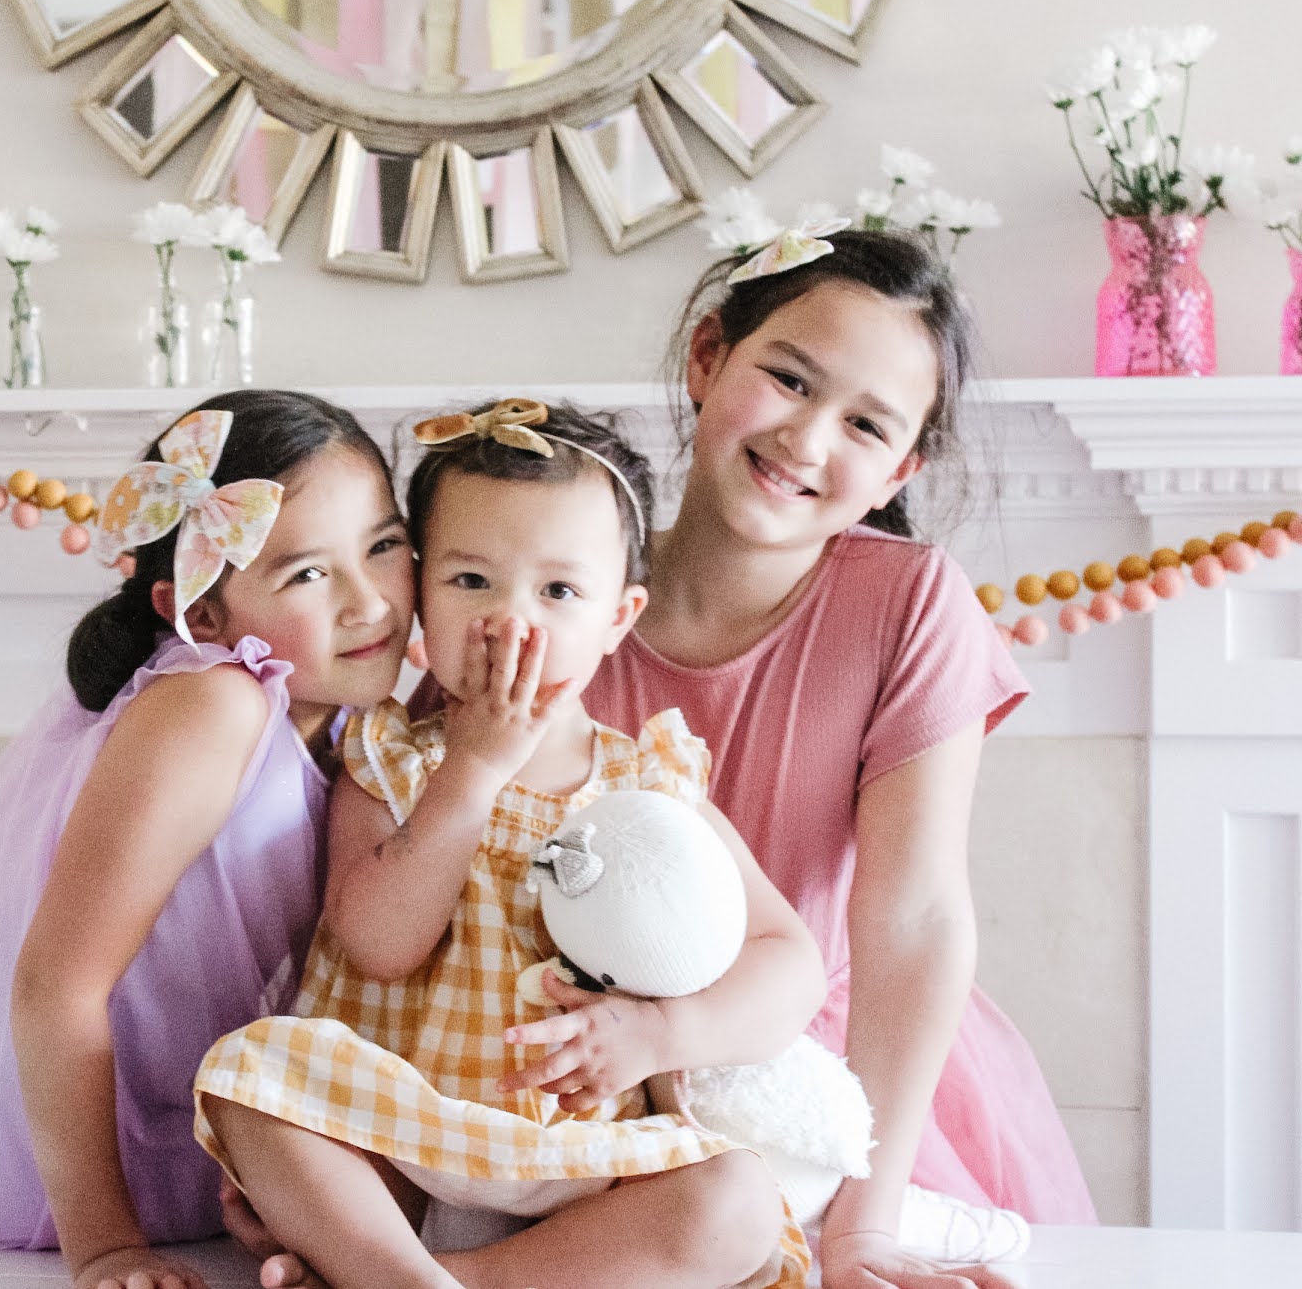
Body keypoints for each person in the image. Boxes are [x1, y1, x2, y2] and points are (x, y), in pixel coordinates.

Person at [195, 400, 821, 1289]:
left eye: (557, 591)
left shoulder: (651, 786)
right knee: (245, 1074)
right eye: (471, 580)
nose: (509, 621)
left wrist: (659, 1033)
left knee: (738, 1202)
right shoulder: (390, 759)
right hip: (398, 1130)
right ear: (420, 595)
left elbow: (789, 959)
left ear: (619, 616)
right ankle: (393, 1267)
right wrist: (472, 773)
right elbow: (376, 944)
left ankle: (446, 1278)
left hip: (585, 1155)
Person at [580, 228, 1095, 1288]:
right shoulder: (561, 587)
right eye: (788, 378)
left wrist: (866, 1221)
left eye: (865, 424)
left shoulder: (908, 603)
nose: (807, 439)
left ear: (897, 470)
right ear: (707, 356)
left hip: (839, 1091)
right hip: (592, 1062)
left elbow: (914, 916)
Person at [0, 390, 416, 1289]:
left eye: (384, 545)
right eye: (305, 574)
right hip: (89, 1159)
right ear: (202, 617)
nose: (369, 602)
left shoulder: (346, 716)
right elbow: (55, 983)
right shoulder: (214, 704)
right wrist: (103, 1244)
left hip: (208, 1122)